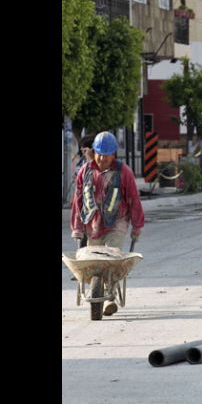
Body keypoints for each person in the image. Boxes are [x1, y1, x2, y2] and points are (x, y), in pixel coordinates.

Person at [70, 131, 145, 316]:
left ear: (114, 154)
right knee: (95, 263)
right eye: (99, 153)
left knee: (111, 259)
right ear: (94, 152)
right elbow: (78, 200)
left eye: (107, 154)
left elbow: (133, 199)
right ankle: (99, 292)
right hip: (92, 225)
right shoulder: (85, 171)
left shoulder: (123, 172)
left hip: (116, 223)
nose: (103, 158)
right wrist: (77, 227)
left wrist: (137, 226)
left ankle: (109, 299)